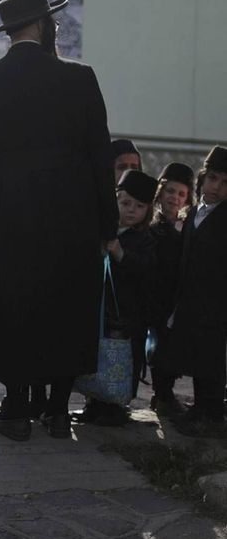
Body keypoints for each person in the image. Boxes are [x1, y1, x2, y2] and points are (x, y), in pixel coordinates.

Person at [0, 0, 119, 441]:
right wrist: (109, 226)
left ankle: (14, 405)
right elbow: (100, 159)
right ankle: (58, 408)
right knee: (66, 301)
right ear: (45, 25)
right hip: (73, 206)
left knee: (12, 302)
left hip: (8, 205)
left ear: (9, 31)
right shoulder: (81, 78)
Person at [73, 170, 157, 427]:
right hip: (100, 310)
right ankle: (93, 402)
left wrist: (121, 254)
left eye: (139, 206)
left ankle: (116, 406)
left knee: (122, 359)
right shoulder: (104, 231)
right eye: (126, 203)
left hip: (128, 315)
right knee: (98, 356)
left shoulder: (144, 239)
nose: (132, 210)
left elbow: (146, 270)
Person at [167, 146, 227, 438]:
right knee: (195, 354)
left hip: (216, 301)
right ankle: (200, 408)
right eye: (213, 178)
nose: (217, 187)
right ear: (203, 178)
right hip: (191, 298)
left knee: (212, 359)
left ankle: (212, 412)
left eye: (226, 183)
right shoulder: (192, 213)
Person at [146, 162, 195, 414]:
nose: (174, 198)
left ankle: (165, 395)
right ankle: (162, 395)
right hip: (159, 298)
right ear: (161, 193)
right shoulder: (153, 228)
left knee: (173, 348)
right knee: (160, 349)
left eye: (181, 194)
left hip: (178, 298)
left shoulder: (188, 229)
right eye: (170, 191)